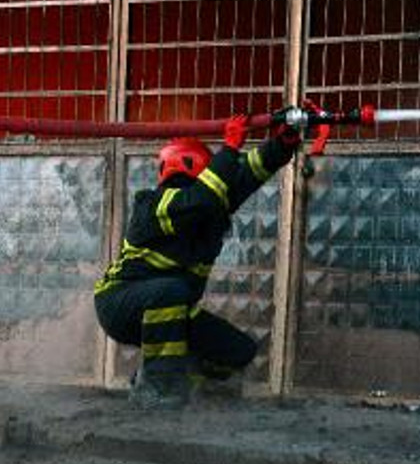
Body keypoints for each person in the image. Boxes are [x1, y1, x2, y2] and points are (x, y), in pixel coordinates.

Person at [94, 113, 300, 409]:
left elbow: (250, 172)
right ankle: (158, 387)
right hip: (119, 304)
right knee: (172, 290)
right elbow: (201, 199)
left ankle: (188, 387)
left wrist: (283, 142)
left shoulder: (210, 204)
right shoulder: (154, 205)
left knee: (239, 350)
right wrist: (229, 148)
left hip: (170, 306)